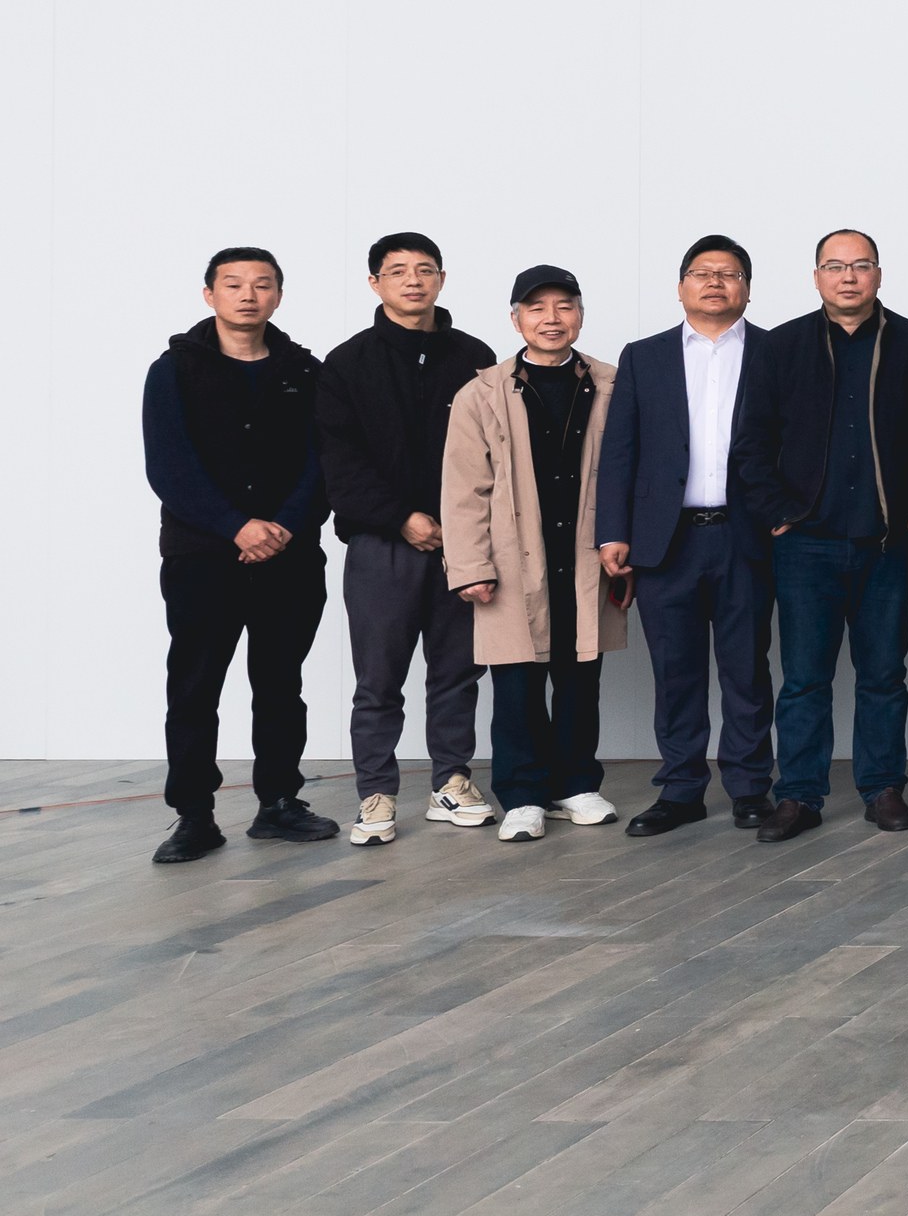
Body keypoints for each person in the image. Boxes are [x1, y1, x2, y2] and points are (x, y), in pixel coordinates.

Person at [730, 229, 908, 844]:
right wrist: (778, 512)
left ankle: (883, 788)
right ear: (816, 276)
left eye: (861, 265)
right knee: (803, 678)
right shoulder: (781, 346)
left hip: (885, 543)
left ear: (879, 275)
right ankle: (799, 794)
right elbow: (751, 440)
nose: (848, 277)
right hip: (805, 543)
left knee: (883, 675)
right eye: (835, 266)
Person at [144, 247, 338, 864]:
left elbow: (322, 461)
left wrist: (282, 527)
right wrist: (236, 527)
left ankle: (278, 802)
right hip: (201, 556)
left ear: (278, 295)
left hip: (290, 555)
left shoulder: (305, 371)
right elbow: (169, 466)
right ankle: (194, 816)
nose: (248, 295)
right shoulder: (173, 370)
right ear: (210, 295)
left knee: (280, 684)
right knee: (195, 686)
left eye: (262, 284)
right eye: (233, 284)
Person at [315, 232, 497, 844]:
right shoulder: (347, 362)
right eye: (397, 271)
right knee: (378, 680)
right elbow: (339, 461)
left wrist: (461, 524)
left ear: (442, 279)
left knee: (458, 672)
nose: (413, 281)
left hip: (462, 543)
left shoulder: (474, 356)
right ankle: (376, 794)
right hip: (381, 546)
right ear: (375, 283)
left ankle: (451, 781)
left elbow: (492, 452)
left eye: (424, 270)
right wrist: (402, 518)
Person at [594, 235, 773, 836]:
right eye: (702, 272)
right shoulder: (645, 357)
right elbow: (620, 451)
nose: (715, 282)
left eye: (729, 273)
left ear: (747, 288)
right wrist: (613, 532)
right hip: (665, 540)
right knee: (675, 671)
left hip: (746, 536)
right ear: (680, 288)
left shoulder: (775, 353)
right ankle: (681, 789)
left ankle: (750, 787)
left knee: (747, 669)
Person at [438, 267, 625, 842]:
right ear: (515, 318)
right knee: (517, 681)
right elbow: (463, 489)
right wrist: (470, 567)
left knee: (580, 675)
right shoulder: (482, 393)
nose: (551, 318)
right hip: (511, 558)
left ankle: (575, 784)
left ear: (580, 315)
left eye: (564, 306)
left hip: (587, 553)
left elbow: (631, 472)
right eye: (537, 308)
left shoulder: (612, 385)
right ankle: (522, 795)